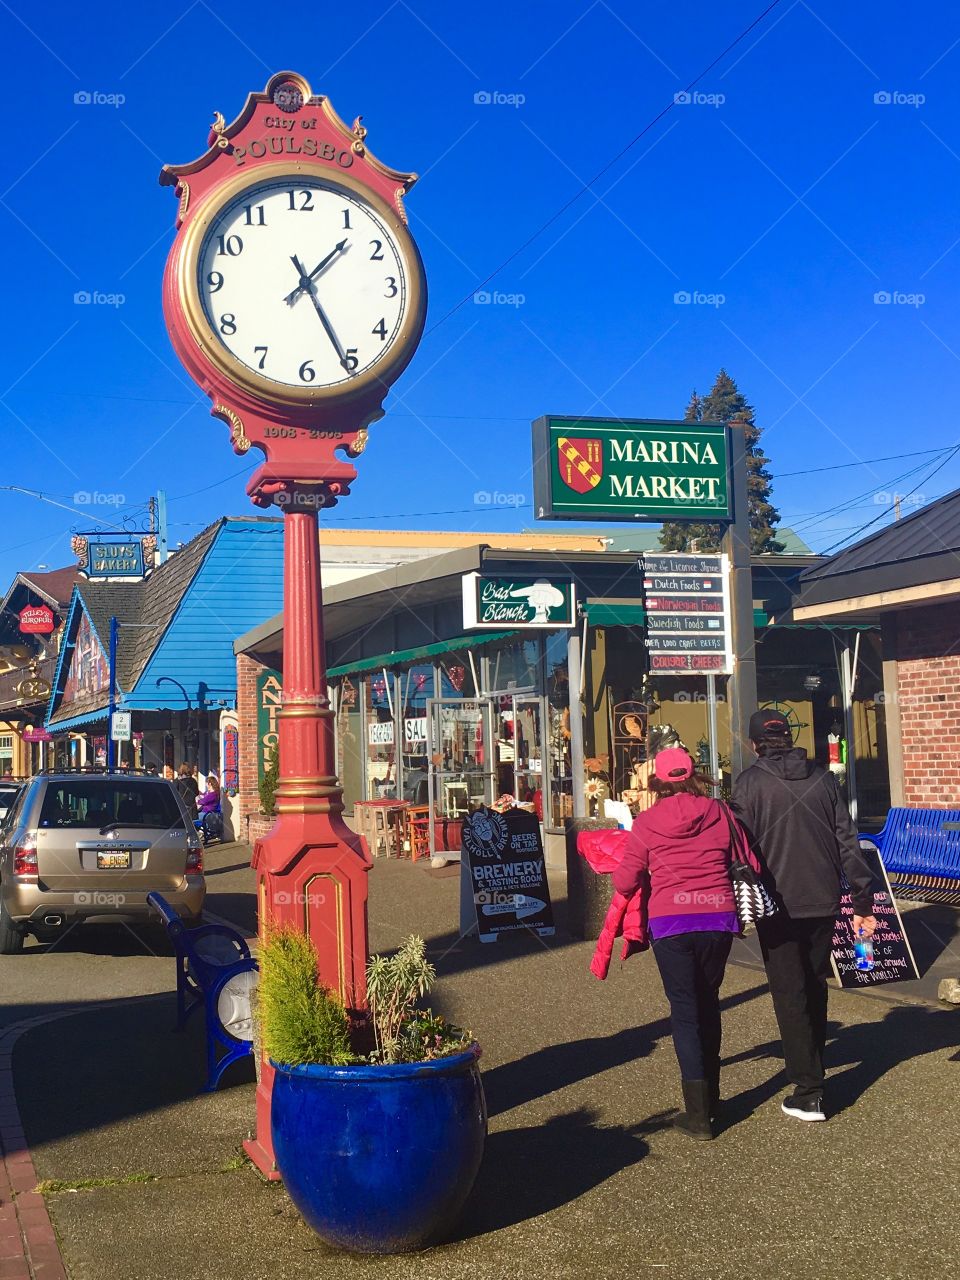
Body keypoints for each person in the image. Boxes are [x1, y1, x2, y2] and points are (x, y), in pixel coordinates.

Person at [731, 709, 877, 1123]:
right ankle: (812, 1073)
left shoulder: (749, 784)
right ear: (788, 737)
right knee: (814, 984)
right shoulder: (823, 779)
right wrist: (862, 901)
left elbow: (738, 850)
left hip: (775, 902)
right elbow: (848, 842)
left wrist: (734, 906)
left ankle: (809, 1089)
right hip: (824, 898)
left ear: (755, 742)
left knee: (789, 992)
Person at [613, 747, 762, 1140]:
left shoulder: (646, 822)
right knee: (708, 1001)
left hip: (671, 922)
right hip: (717, 917)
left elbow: (625, 881)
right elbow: (752, 862)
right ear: (693, 774)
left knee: (684, 1010)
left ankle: (697, 1116)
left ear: (658, 780)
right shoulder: (721, 812)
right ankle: (712, 1100)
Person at [197, 774, 222, 844]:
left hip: (206, 813)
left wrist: (198, 799)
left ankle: (197, 834)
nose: (206, 786)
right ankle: (201, 833)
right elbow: (204, 798)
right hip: (207, 813)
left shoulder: (212, 794)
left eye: (206, 784)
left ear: (209, 784)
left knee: (191, 819)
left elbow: (202, 801)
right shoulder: (212, 793)